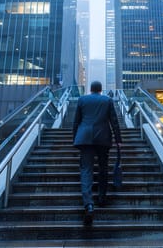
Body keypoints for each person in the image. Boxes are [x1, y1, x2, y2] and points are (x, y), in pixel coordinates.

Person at [73, 81, 122, 225]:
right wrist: (119, 139)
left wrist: (75, 138)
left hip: (84, 137)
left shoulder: (82, 100)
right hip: (103, 138)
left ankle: (88, 204)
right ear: (101, 90)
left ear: (90, 89)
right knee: (103, 168)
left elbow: (76, 121)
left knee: (86, 170)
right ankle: (101, 197)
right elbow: (114, 121)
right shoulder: (107, 100)